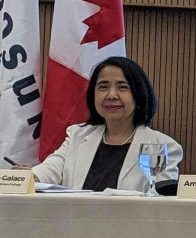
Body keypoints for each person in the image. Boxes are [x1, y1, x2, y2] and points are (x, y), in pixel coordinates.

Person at [27, 56, 182, 191]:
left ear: (139, 94)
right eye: (103, 87)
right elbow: (51, 169)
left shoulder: (163, 146)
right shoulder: (77, 135)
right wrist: (29, 177)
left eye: (123, 87)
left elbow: (163, 200)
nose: (111, 95)